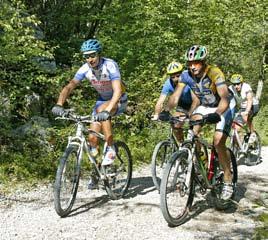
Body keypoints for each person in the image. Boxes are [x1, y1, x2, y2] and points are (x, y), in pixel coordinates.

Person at [52, 39, 127, 188]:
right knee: (92, 138)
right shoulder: (85, 69)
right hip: (101, 101)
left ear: (99, 54)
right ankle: (97, 172)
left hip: (118, 100)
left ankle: (111, 147)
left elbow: (118, 91)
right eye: (86, 56)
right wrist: (59, 104)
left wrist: (107, 109)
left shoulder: (109, 65)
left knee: (101, 110)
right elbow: (69, 87)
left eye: (92, 55)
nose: (89, 59)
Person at [168, 45, 236, 201]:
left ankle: (227, 179)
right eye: (190, 63)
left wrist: (217, 114)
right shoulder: (185, 75)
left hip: (224, 106)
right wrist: (167, 111)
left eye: (196, 62)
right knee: (192, 133)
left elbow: (225, 98)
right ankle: (201, 165)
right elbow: (175, 96)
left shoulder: (214, 72)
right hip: (206, 106)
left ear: (204, 62)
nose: (193, 66)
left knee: (218, 142)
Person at [152, 61, 200, 142]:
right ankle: (182, 147)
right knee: (175, 124)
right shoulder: (168, 83)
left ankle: (198, 152)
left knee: (194, 131)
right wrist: (157, 114)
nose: (176, 79)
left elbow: (196, 100)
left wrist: (189, 114)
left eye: (178, 76)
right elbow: (160, 101)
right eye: (173, 77)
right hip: (183, 104)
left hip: (196, 103)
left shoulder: (188, 79)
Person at [228, 73, 259, 142]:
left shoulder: (246, 87)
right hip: (242, 107)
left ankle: (252, 133)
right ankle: (240, 144)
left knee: (247, 117)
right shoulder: (230, 88)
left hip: (253, 105)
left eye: (238, 84)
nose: (236, 86)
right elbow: (227, 100)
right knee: (236, 126)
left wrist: (247, 112)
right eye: (234, 84)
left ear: (241, 83)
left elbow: (250, 100)